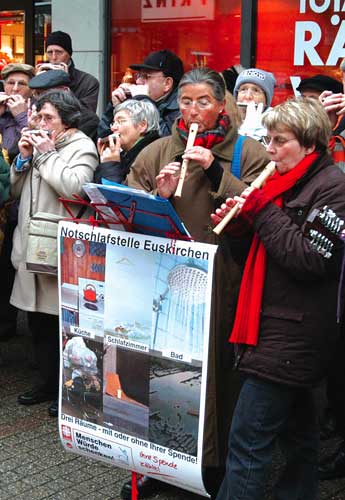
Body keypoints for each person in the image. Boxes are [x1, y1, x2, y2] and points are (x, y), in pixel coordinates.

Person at [122, 67, 270, 500]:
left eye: (203, 102)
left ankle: (212, 466)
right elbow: (129, 208)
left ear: (222, 105)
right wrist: (159, 198)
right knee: (161, 369)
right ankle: (161, 462)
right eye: (185, 102)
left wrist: (218, 176)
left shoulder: (246, 151)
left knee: (214, 377)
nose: (192, 112)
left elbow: (263, 212)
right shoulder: (156, 151)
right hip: (163, 281)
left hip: (223, 284)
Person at [211, 97, 345, 500]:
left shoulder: (334, 187)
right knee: (300, 439)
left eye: (279, 141)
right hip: (275, 325)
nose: (268, 149)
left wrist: (262, 211)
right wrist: (239, 228)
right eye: (267, 139)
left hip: (295, 333)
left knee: (247, 442)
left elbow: (309, 259)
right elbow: (260, 254)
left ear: (309, 144)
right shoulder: (282, 183)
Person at [11, 90, 98, 417]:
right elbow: (17, 191)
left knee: (62, 324)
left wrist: (46, 155)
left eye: (48, 118)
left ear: (67, 119)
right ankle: (46, 382)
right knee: (37, 322)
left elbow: (76, 191)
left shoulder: (82, 146)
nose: (40, 123)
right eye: (38, 116)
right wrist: (22, 158)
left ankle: (67, 391)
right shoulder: (40, 144)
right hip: (32, 245)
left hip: (58, 251)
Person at [0, 63, 35, 342]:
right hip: (4, 203)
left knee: (16, 264)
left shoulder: (32, 116)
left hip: (21, 203)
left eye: (20, 84)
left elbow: (30, 147)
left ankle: (17, 323)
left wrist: (21, 116)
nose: (13, 89)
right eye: (9, 83)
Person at [98, 49, 184, 138]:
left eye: (146, 77)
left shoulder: (182, 108)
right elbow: (102, 141)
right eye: (138, 76)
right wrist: (115, 108)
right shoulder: (138, 101)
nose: (138, 81)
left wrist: (144, 101)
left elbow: (166, 141)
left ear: (167, 83)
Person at [94, 99, 160, 184]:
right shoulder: (124, 154)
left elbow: (119, 195)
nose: (113, 128)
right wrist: (105, 162)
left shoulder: (152, 155)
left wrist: (111, 164)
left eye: (120, 121)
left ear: (142, 126)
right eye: (113, 123)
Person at [28, 69, 99, 143]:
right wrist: (33, 129)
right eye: (37, 94)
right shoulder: (36, 114)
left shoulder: (88, 119)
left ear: (65, 90)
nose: (41, 99)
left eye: (47, 94)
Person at [45, 30, 99, 112]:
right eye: (49, 52)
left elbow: (88, 117)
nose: (54, 57)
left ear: (69, 54)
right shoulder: (41, 78)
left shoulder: (88, 82)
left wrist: (65, 88)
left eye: (59, 52)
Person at [0, 63, 35, 161]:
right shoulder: (2, 107)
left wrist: (22, 115)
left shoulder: (39, 109)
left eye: (22, 84)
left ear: (32, 90)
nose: (15, 89)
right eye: (11, 83)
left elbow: (34, 146)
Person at [233, 67, 276, 144]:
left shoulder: (276, 125)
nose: (248, 96)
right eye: (243, 89)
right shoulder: (226, 121)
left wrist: (253, 133)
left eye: (256, 90)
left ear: (266, 101)